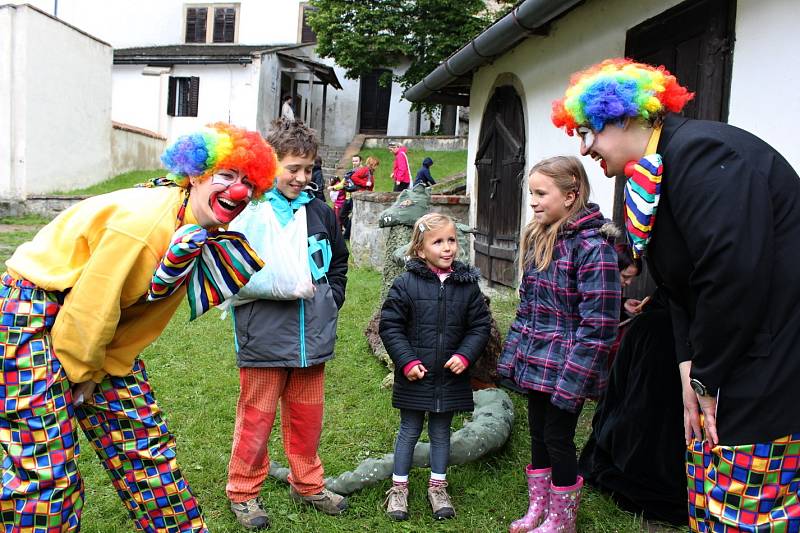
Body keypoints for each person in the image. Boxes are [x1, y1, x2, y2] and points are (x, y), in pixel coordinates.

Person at [552, 57, 800, 532]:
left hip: (765, 365)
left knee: (749, 510)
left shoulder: (704, 152)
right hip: (727, 362)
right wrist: (688, 370)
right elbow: (678, 287)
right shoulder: (663, 165)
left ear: (624, 116)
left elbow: (732, 276)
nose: (584, 149)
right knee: (710, 501)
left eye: (588, 132)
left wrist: (706, 377)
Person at [0, 123, 277, 532]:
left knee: (144, 444)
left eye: (249, 182)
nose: (239, 191)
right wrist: (84, 373)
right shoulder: (146, 226)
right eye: (227, 176)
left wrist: (105, 367)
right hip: (33, 310)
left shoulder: (194, 227)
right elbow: (90, 308)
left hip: (98, 327)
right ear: (198, 174)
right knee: (45, 468)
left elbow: (138, 316)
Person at [225, 119, 349, 530]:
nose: (301, 177)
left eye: (308, 169)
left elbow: (339, 261)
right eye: (292, 168)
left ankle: (308, 483)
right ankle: (244, 491)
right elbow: (232, 270)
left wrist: (333, 299)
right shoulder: (253, 211)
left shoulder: (320, 213)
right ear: (270, 164)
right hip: (263, 335)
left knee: (307, 416)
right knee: (256, 417)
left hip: (312, 336)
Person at [497, 156, 620, 533]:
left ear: (571, 195)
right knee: (537, 432)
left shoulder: (593, 248)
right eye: (530, 193)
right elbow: (528, 309)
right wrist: (510, 360)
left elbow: (599, 325)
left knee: (558, 437)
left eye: (540, 193)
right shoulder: (541, 238)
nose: (533, 201)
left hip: (569, 364)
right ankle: (539, 508)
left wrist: (573, 383)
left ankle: (561, 518)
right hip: (538, 359)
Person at [379, 213, 490, 521]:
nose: (447, 248)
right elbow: (390, 326)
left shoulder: (467, 287)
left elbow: (480, 325)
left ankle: (437, 487)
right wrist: (407, 361)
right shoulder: (406, 284)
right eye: (438, 241)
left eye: (451, 240)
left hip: (449, 377)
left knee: (442, 432)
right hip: (416, 376)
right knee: (409, 430)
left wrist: (465, 355)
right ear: (419, 249)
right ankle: (399, 488)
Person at [578, 288, 687, 527]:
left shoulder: (644, 326)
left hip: (631, 458)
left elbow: (613, 394)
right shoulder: (709, 331)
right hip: (687, 473)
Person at [328, 156, 379, 240]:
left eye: (356, 161)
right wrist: (365, 183)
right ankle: (349, 232)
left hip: (357, 196)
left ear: (360, 161)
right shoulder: (364, 170)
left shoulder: (368, 171)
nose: (354, 162)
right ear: (372, 164)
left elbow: (369, 185)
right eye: (353, 161)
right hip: (351, 196)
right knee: (342, 215)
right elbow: (352, 179)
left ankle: (347, 235)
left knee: (352, 216)